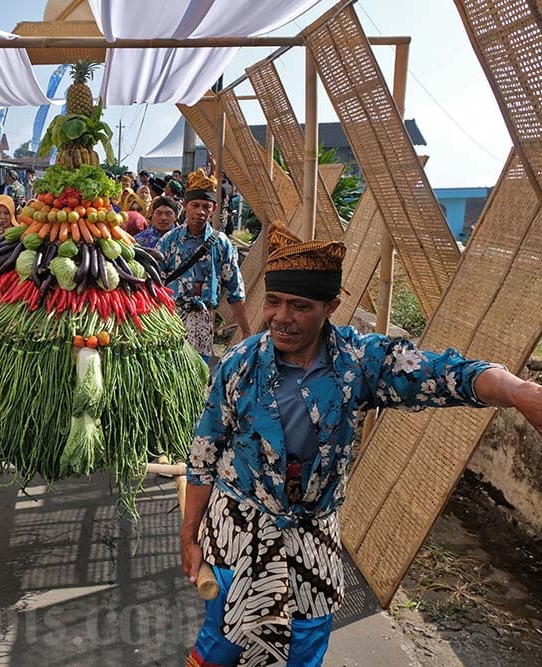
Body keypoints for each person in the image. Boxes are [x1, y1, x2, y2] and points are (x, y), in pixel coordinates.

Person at [181, 219, 542, 667]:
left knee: (307, 638)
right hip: (239, 524)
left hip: (313, 527)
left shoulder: (360, 361)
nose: (282, 317)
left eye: (300, 305)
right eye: (274, 302)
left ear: (331, 306)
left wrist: (516, 391)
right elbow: (204, 453)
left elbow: (442, 373)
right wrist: (190, 533)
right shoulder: (241, 364)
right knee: (223, 638)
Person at [158, 169, 251, 364]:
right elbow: (154, 284)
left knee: (198, 376)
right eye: (195, 205)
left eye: (206, 206)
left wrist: (246, 331)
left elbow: (236, 288)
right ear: (185, 206)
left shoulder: (221, 243)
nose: (200, 212)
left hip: (204, 321)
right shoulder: (169, 242)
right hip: (171, 319)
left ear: (214, 209)